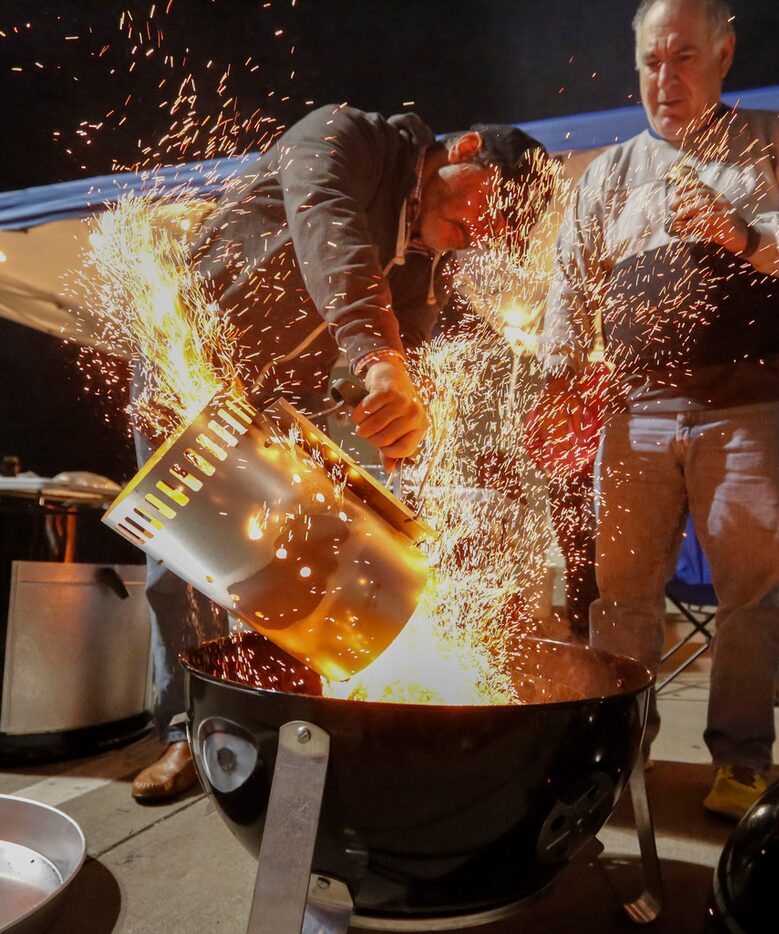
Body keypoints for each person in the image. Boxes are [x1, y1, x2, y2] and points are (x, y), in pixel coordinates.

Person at [131, 104, 550, 799]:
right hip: (192, 366)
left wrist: (402, 438)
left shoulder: (422, 259)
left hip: (277, 408)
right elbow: (327, 226)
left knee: (278, 565)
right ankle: (185, 734)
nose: (484, 231)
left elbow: (405, 353)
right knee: (179, 568)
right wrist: (376, 355)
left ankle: (256, 733)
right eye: (492, 204)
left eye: (500, 230)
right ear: (466, 149)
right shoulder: (346, 138)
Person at [541, 0, 779, 819]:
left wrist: (745, 232)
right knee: (619, 597)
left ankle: (742, 761)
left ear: (725, 54)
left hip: (747, 408)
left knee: (751, 595)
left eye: (683, 57)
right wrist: (555, 379)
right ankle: (615, 752)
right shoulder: (608, 174)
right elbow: (567, 290)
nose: (664, 79)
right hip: (633, 414)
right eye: (651, 61)